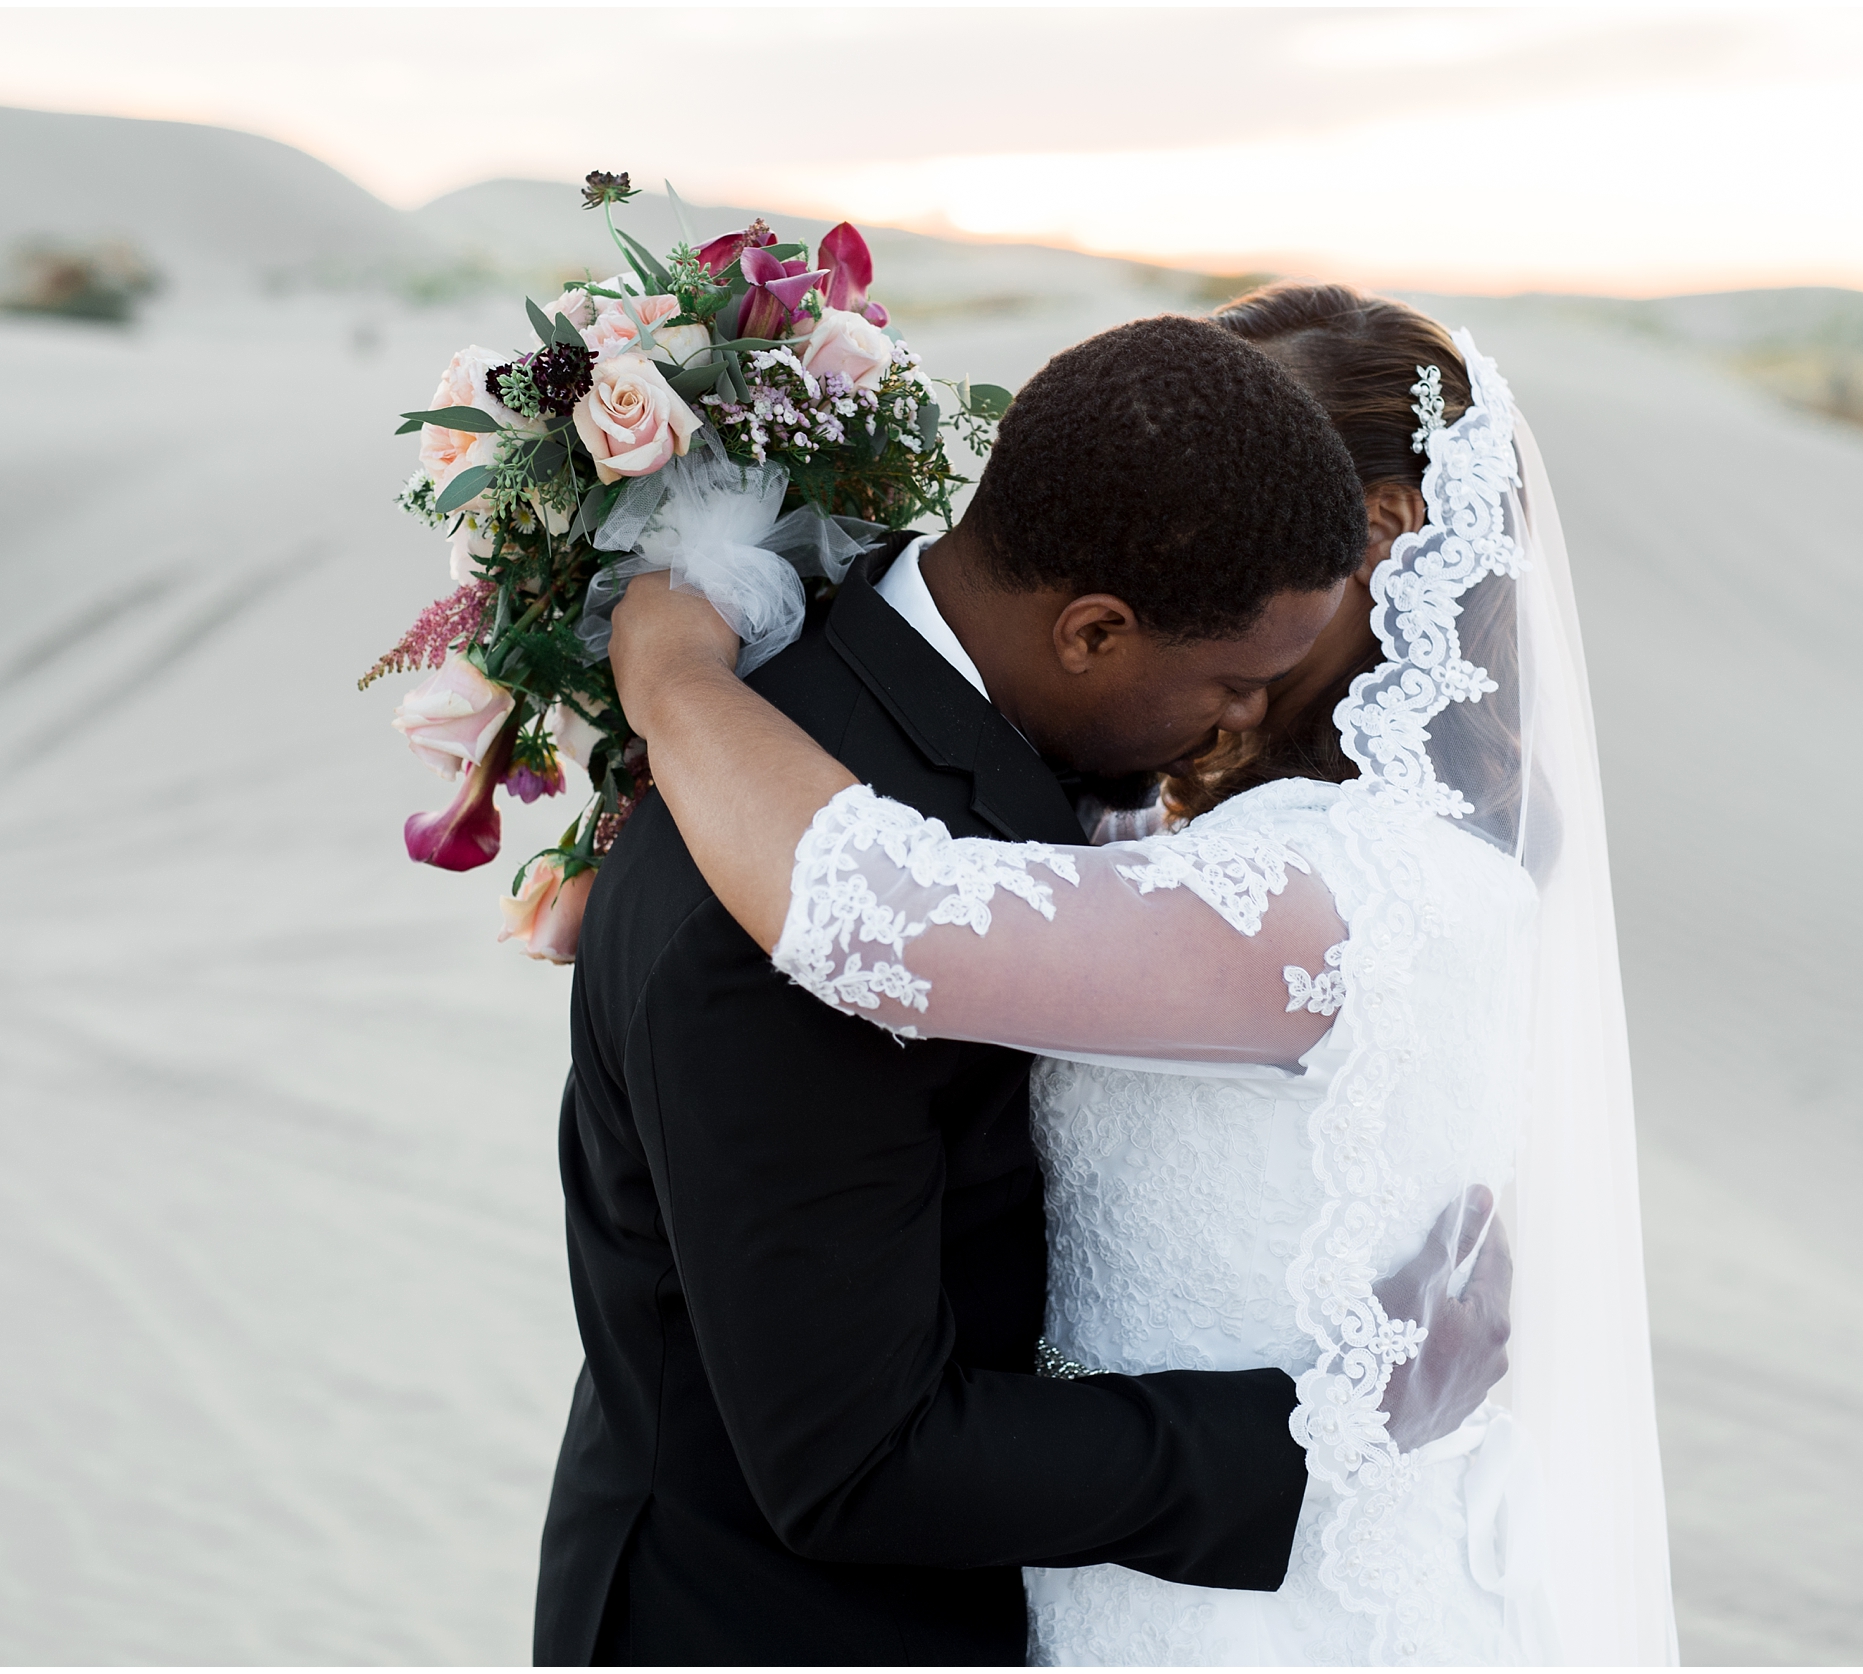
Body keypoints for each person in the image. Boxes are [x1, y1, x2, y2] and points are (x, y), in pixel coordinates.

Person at [598, 290, 1677, 1663]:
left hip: (1265, 1599)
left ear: (1378, 542)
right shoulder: (1295, 839)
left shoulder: (1336, 882)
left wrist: (679, 684)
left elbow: (889, 910)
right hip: (1144, 1573)